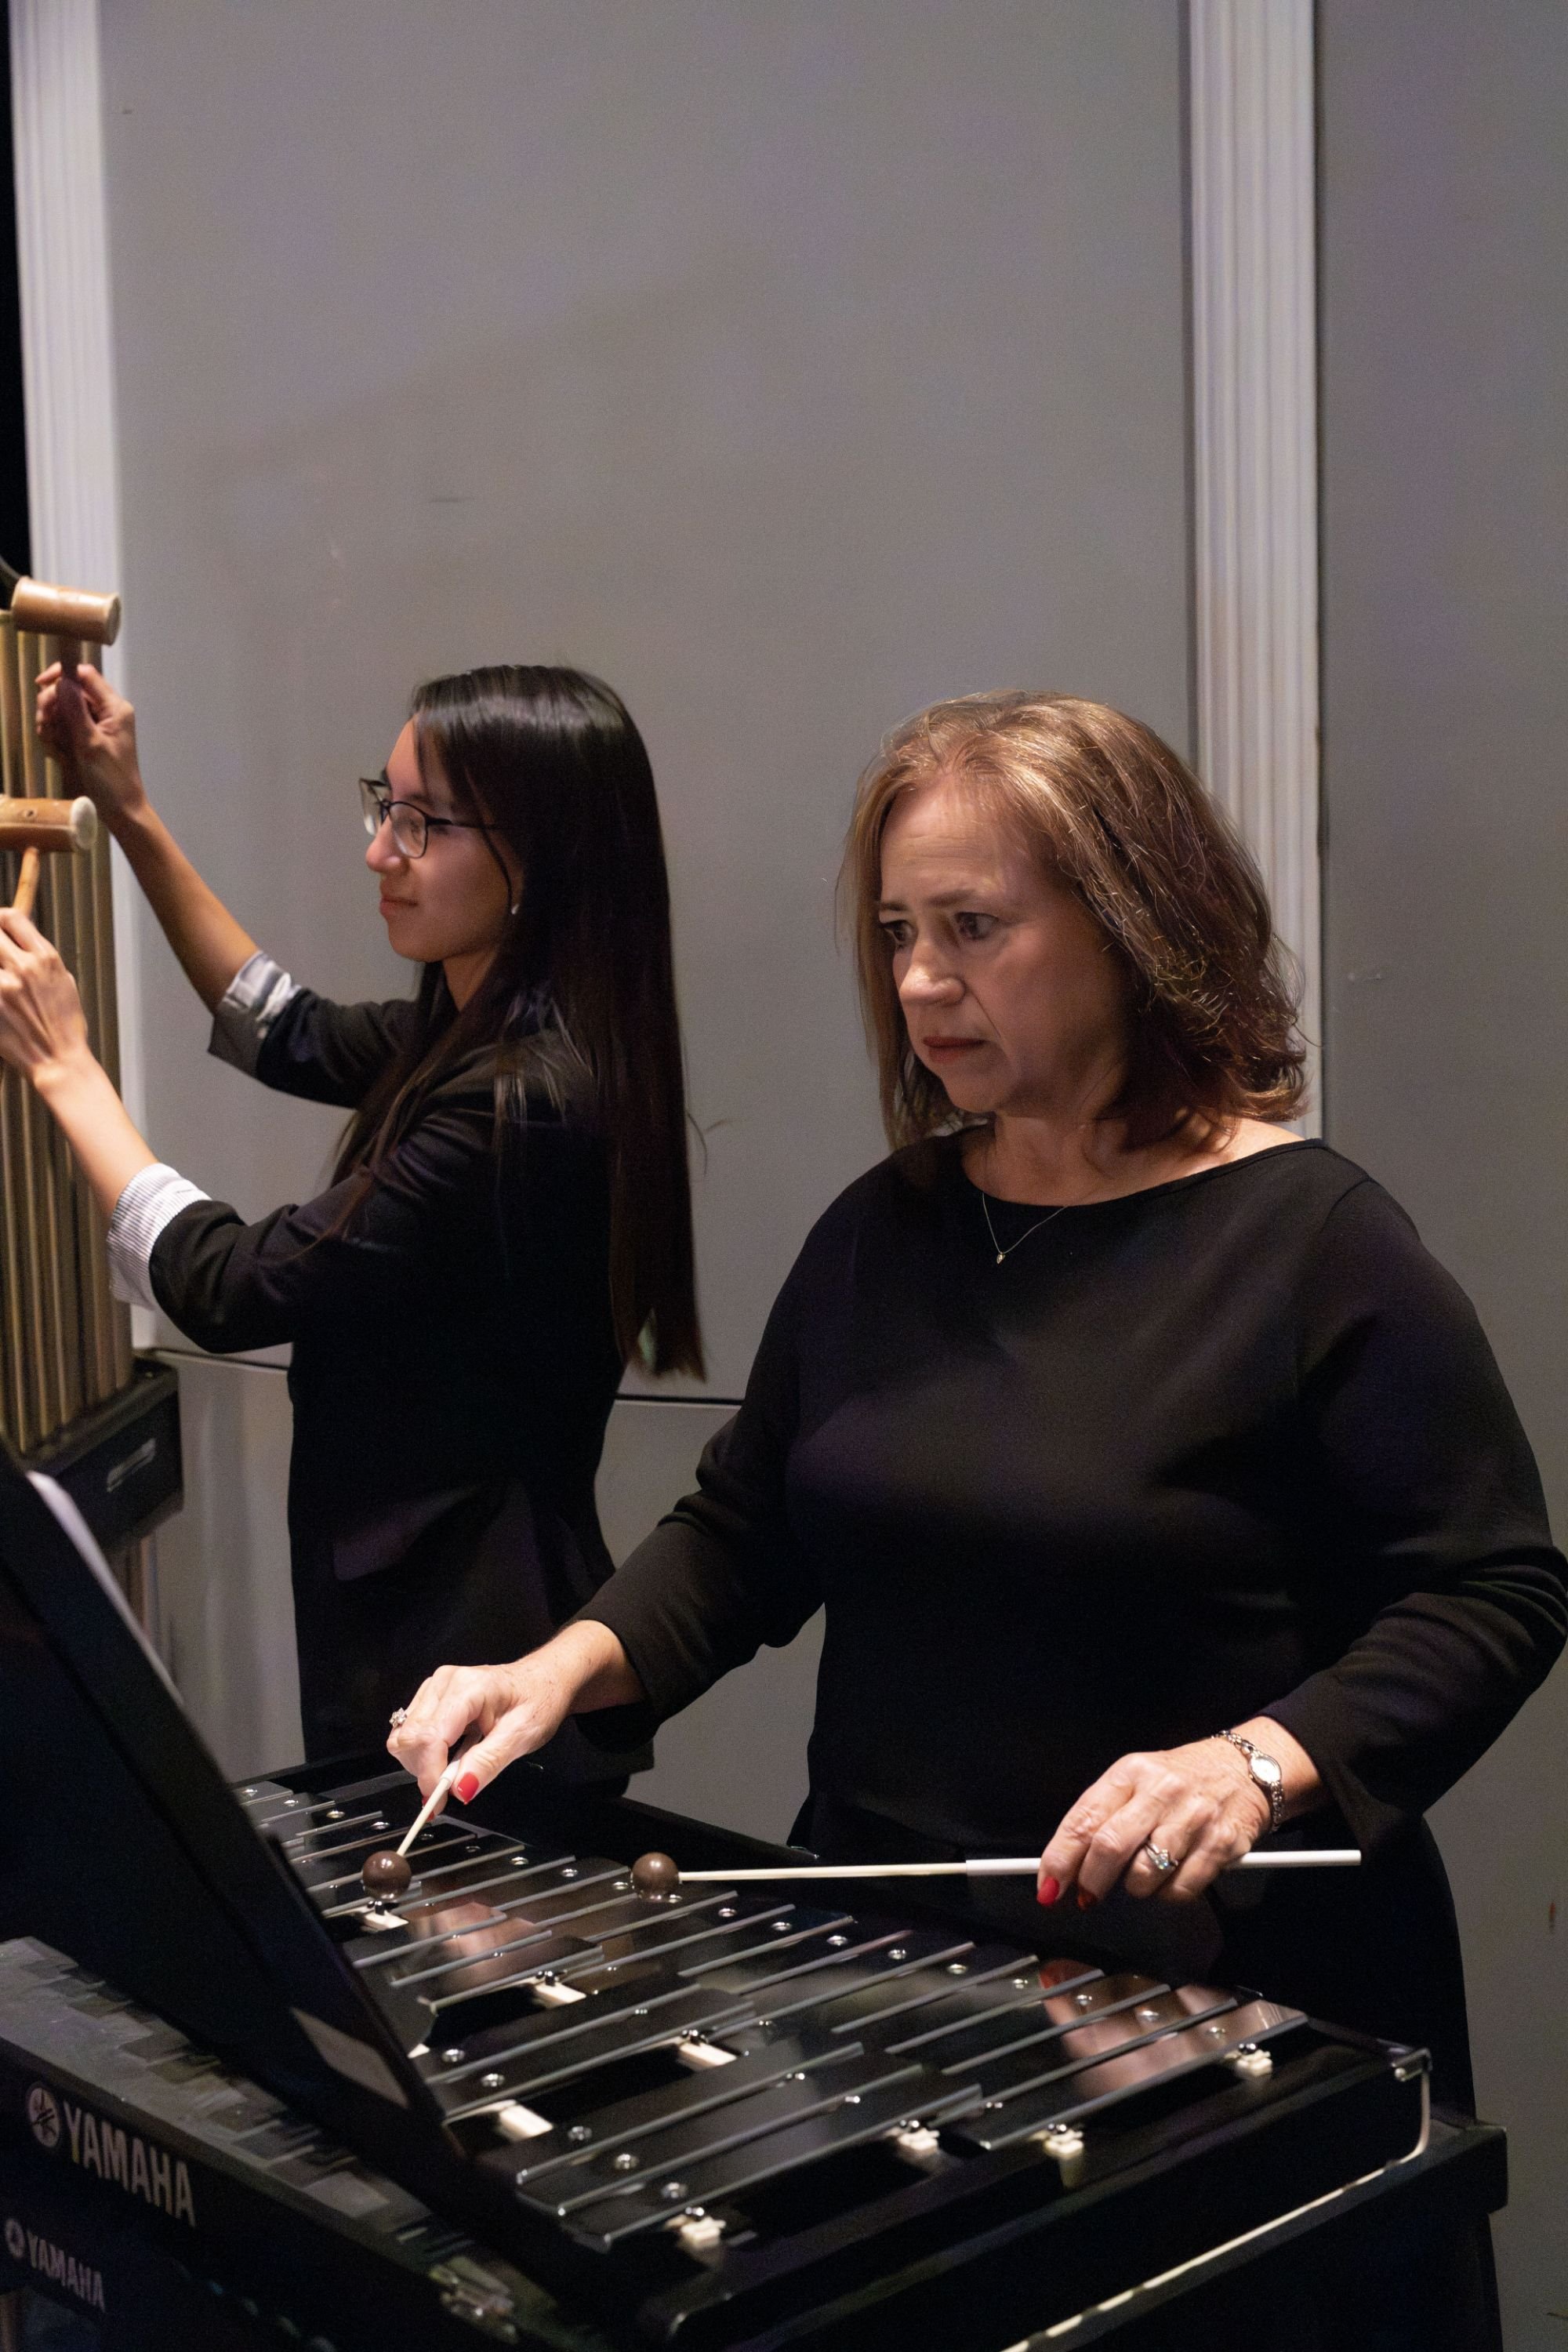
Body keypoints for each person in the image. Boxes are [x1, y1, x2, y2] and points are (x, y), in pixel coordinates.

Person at [387, 691, 1563, 2342]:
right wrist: (563, 1666)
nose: (921, 981)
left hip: (1225, 2000)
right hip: (900, 1975)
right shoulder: (886, 1229)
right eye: (894, 932)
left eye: (972, 928)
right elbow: (744, 1529)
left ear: (1133, 924)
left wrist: (1256, 1761)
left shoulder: (1309, 1241)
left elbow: (1492, 1590)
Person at [0, 660, 702, 1766]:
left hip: (473, 1643)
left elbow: (229, 1287)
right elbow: (283, 1025)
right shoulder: (477, 1028)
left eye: (422, 825)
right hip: (428, 1610)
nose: (381, 851)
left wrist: (67, 1070)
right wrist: (127, 809)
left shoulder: (524, 1103)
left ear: (540, 860)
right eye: (386, 807)